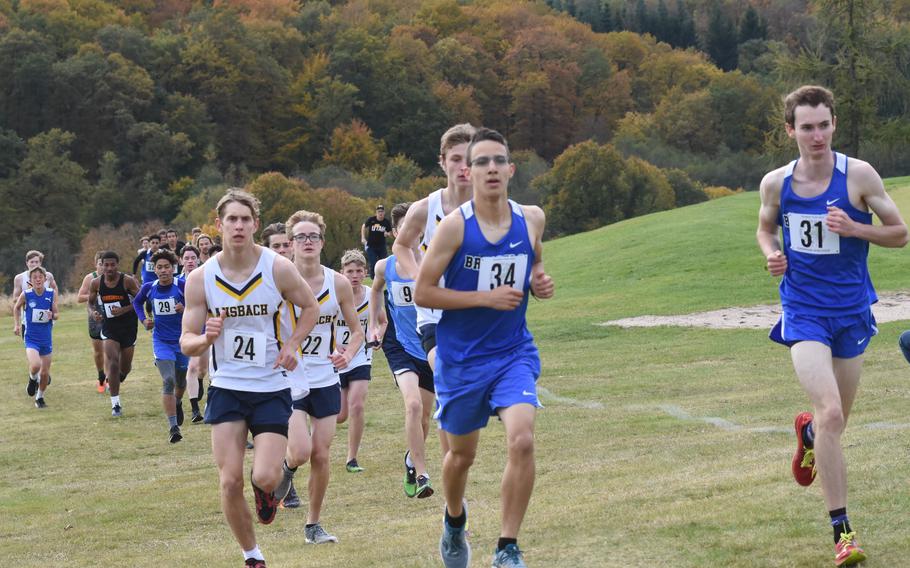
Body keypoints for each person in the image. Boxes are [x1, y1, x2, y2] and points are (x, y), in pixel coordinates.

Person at [756, 85, 908, 567]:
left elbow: (900, 233)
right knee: (832, 414)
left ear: (833, 124)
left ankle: (806, 438)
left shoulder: (859, 175)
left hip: (852, 312)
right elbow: (764, 228)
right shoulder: (776, 183)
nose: (816, 135)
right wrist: (772, 255)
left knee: (835, 418)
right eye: (806, 127)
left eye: (823, 125)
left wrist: (856, 228)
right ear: (790, 131)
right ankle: (842, 531)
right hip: (803, 310)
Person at [415, 128, 554, 568]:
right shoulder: (454, 228)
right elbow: (423, 292)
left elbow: (535, 260)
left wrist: (539, 280)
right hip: (461, 360)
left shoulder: (531, 217)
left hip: (513, 352)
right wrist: (483, 298)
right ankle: (454, 521)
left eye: (499, 161)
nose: (491, 168)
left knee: (523, 439)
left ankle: (507, 547)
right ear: (466, 170)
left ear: (511, 169)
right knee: (460, 456)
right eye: (481, 162)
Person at [180, 189, 318, 568]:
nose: (238, 226)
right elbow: (186, 341)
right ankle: (252, 555)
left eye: (245, 219)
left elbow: (310, 307)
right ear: (219, 223)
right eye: (231, 219)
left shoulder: (277, 267)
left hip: (272, 386)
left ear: (255, 223)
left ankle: (266, 492)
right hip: (227, 388)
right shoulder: (200, 279)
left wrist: (292, 343)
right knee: (228, 482)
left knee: (267, 476)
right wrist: (206, 338)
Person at [273, 210, 363, 545]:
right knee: (300, 450)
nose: (307, 242)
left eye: (313, 236)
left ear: (322, 242)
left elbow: (356, 332)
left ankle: (313, 524)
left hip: (325, 375)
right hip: (289, 375)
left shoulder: (338, 283)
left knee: (322, 454)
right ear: (291, 243)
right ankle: (285, 469)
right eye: (300, 237)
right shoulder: (277, 279)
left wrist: (347, 354)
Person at [393, 123, 476, 457]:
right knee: (444, 373)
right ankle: (449, 466)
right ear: (442, 162)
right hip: (434, 316)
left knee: (464, 400)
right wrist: (419, 277)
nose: (463, 166)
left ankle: (457, 454)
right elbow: (401, 246)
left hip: (476, 315)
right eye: (456, 159)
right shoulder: (425, 209)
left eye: (471, 158)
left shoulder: (493, 206)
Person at [371, 202, 437, 498]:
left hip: (430, 344)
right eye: (404, 228)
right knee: (412, 405)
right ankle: (422, 473)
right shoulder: (385, 266)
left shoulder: (436, 263)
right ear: (396, 233)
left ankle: (411, 459)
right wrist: (376, 321)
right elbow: (375, 289)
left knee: (424, 416)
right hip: (399, 345)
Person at [335, 249, 383, 473]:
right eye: (349, 271)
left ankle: (351, 458)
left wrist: (377, 334)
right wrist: (334, 344)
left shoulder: (369, 295)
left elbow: (382, 321)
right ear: (341, 273)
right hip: (336, 359)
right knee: (340, 415)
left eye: (358, 271)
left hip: (361, 356)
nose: (354, 275)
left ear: (365, 273)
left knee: (357, 405)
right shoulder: (334, 295)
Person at [133, 249, 188, 443]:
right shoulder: (149, 287)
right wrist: (144, 320)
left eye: (167, 267)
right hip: (161, 341)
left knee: (181, 382)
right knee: (169, 380)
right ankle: (173, 427)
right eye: (159, 267)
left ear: (173, 268)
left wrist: (186, 308)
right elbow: (137, 303)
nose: (163, 270)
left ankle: (178, 402)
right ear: (154, 269)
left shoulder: (182, 285)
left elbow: (199, 306)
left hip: (182, 341)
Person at [89, 251, 141, 418]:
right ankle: (116, 404)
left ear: (117, 265)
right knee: (112, 362)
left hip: (128, 327)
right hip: (109, 327)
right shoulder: (96, 283)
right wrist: (93, 313)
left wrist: (124, 309)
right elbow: (90, 303)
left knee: (124, 367)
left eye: (112, 265)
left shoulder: (127, 281)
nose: (109, 268)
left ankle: (119, 377)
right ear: (101, 265)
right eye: (106, 265)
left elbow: (140, 300)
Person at [13, 266, 59, 408]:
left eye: (40, 277)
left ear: (45, 279)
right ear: (31, 280)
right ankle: (32, 379)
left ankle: (39, 398)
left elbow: (57, 313)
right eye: (35, 277)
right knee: (35, 365)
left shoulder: (51, 294)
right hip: (31, 338)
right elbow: (16, 308)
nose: (38, 279)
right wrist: (16, 325)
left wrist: (53, 315)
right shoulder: (26, 294)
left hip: (46, 339)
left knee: (45, 374)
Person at [179, 245, 206, 423]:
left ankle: (200, 383)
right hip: (187, 332)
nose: (189, 261)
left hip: (206, 329)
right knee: (192, 367)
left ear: (198, 259)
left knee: (203, 370)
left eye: (192, 258)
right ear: (181, 261)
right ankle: (195, 410)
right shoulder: (176, 282)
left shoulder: (207, 277)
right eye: (186, 258)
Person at [77, 252, 108, 393]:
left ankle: (109, 378)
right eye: (100, 264)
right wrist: (95, 294)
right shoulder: (90, 278)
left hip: (111, 317)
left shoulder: (114, 277)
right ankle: (101, 376)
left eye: (105, 264)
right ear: (96, 264)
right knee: (98, 352)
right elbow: (80, 297)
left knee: (111, 350)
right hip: (95, 317)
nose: (103, 267)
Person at [12, 250, 58, 337]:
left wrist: (54, 305)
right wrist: (29, 297)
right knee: (30, 345)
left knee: (43, 344)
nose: (34, 264)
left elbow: (54, 289)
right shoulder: (20, 278)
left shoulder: (48, 276)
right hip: (27, 318)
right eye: (31, 262)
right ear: (27, 263)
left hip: (46, 317)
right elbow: (15, 298)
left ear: (40, 263)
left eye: (36, 262)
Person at [361, 204, 393, 278]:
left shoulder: (386, 222)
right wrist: (363, 237)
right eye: (379, 211)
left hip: (381, 246)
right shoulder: (372, 220)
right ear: (376, 212)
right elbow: (363, 226)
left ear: (384, 212)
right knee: (373, 262)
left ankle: (384, 278)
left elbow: (391, 233)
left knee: (384, 263)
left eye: (382, 211)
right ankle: (373, 279)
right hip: (371, 246)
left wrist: (387, 234)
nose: (380, 213)